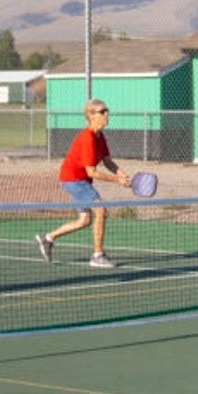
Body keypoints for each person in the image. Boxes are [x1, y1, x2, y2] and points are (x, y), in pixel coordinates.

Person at [35, 99, 130, 268]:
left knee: (84, 220)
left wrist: (123, 174)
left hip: (80, 180)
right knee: (100, 210)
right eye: (102, 112)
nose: (106, 114)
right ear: (91, 116)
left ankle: (48, 239)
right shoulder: (87, 139)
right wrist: (117, 180)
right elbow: (91, 172)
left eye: (106, 110)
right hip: (73, 179)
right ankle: (97, 255)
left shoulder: (100, 136)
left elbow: (108, 162)